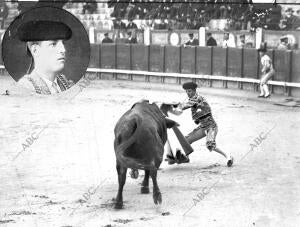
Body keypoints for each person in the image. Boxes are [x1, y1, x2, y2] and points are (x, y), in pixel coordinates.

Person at [165, 82, 234, 167]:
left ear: (194, 90)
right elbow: (180, 109)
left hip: (211, 126)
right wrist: (172, 107)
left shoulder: (198, 98)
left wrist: (172, 106)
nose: (188, 93)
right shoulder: (192, 100)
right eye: (186, 91)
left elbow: (183, 107)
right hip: (202, 127)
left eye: (189, 91)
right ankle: (186, 157)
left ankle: (228, 156)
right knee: (186, 141)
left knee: (210, 145)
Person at [17, 20, 74, 95]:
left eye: (63, 43)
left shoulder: (64, 82)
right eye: (53, 44)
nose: (63, 50)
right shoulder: (26, 88)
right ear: (35, 50)